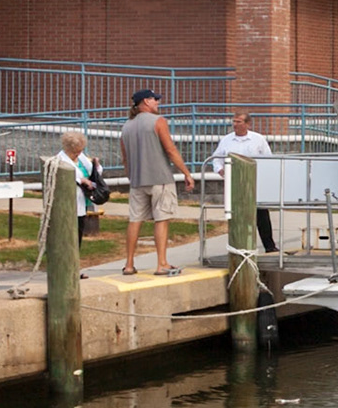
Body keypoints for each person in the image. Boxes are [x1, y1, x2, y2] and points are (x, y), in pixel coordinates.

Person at [119, 90, 197, 275]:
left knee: (135, 220)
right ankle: (161, 263)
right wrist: (186, 173)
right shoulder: (158, 121)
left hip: (137, 180)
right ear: (146, 101)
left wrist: (132, 177)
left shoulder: (126, 127)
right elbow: (170, 149)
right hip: (159, 178)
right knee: (162, 219)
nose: (158, 103)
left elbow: (125, 158)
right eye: (155, 99)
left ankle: (129, 264)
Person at [210, 111, 278, 253]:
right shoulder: (227, 140)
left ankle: (269, 246)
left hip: (254, 182)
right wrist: (220, 169)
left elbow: (268, 158)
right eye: (234, 121)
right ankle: (239, 246)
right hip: (235, 182)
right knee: (237, 214)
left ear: (247, 124)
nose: (235, 124)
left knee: (261, 214)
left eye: (239, 122)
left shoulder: (258, 139)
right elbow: (216, 158)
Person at [54, 129, 98, 246]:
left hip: (83, 199)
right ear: (68, 149)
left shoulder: (81, 157)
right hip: (70, 201)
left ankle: (76, 257)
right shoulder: (60, 160)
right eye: (75, 151)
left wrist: (96, 166)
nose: (78, 153)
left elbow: (93, 170)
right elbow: (65, 176)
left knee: (79, 229)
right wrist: (81, 180)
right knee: (69, 233)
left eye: (80, 150)